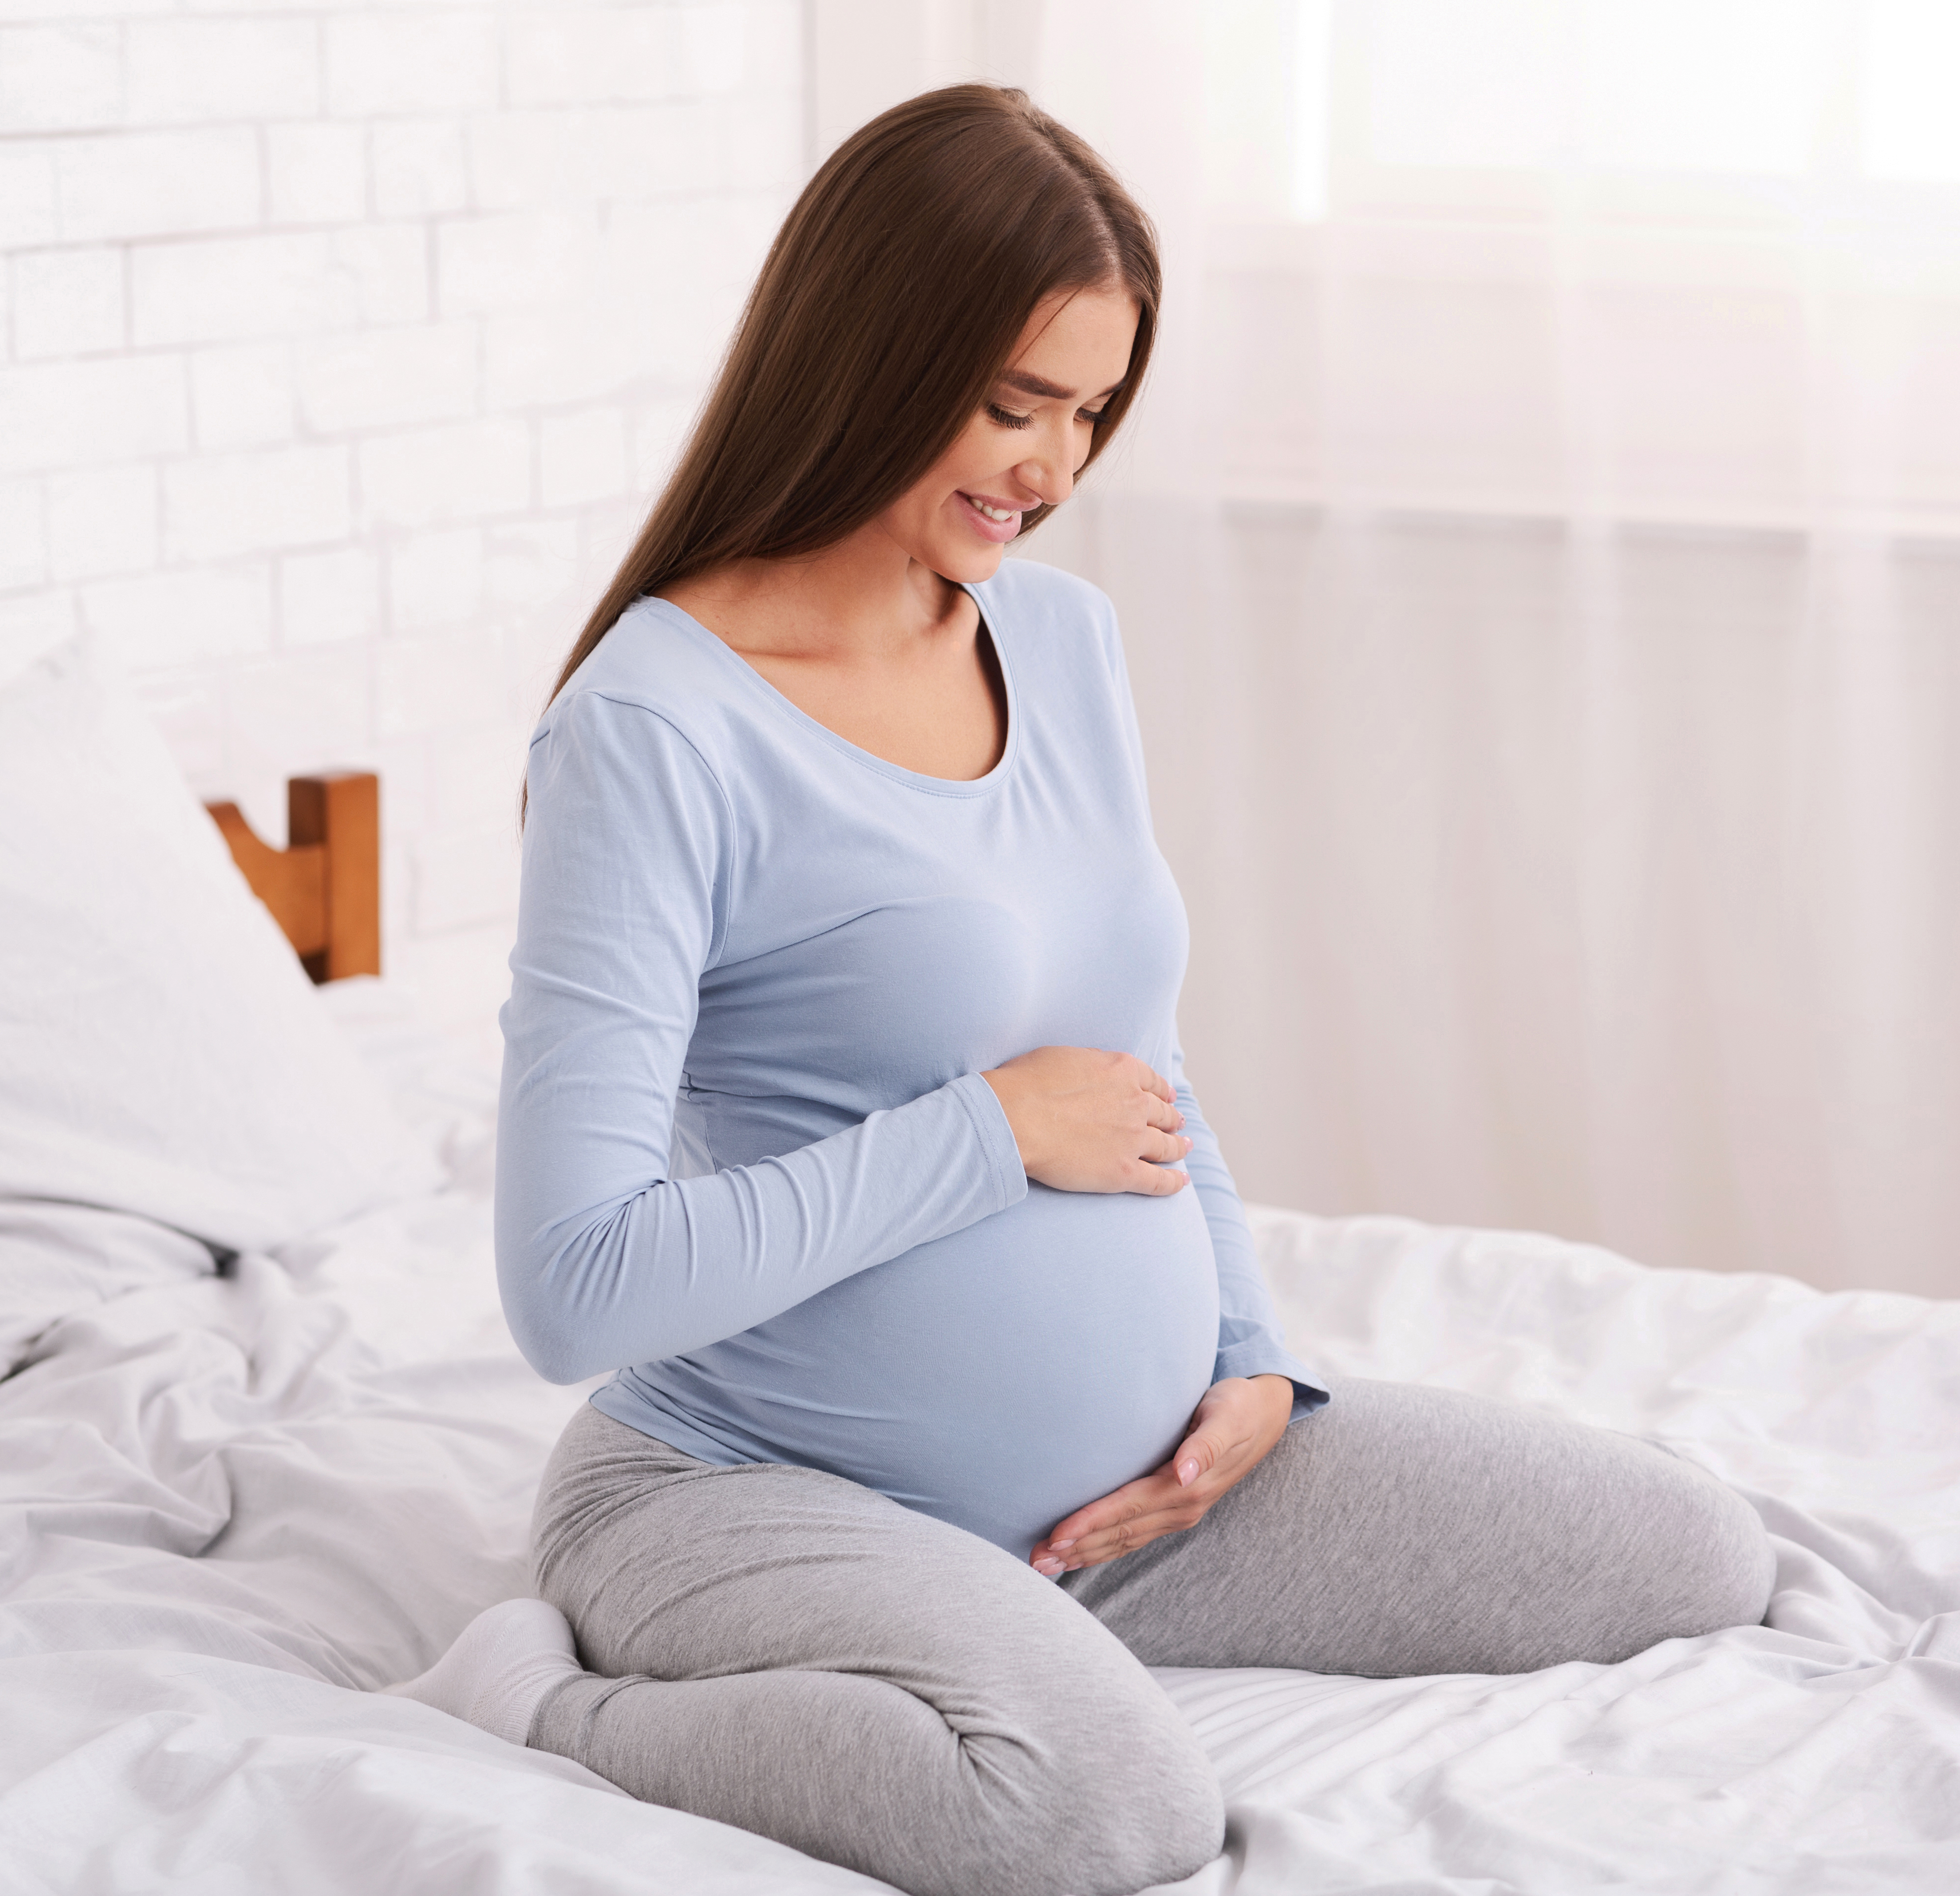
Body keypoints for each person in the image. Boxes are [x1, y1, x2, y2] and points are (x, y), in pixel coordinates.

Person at [384, 83, 1774, 1896]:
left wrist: (1250, 1361)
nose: (1052, 470)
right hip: (748, 1489)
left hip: (1129, 1509)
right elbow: (577, 1289)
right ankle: (544, 1707)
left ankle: (1033, 1616)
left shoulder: (1060, 637)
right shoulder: (653, 732)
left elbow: (1134, 1050)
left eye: (1091, 412)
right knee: (1104, 1816)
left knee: (1690, 1553)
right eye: (1010, 403)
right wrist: (983, 1137)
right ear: (866, 357)